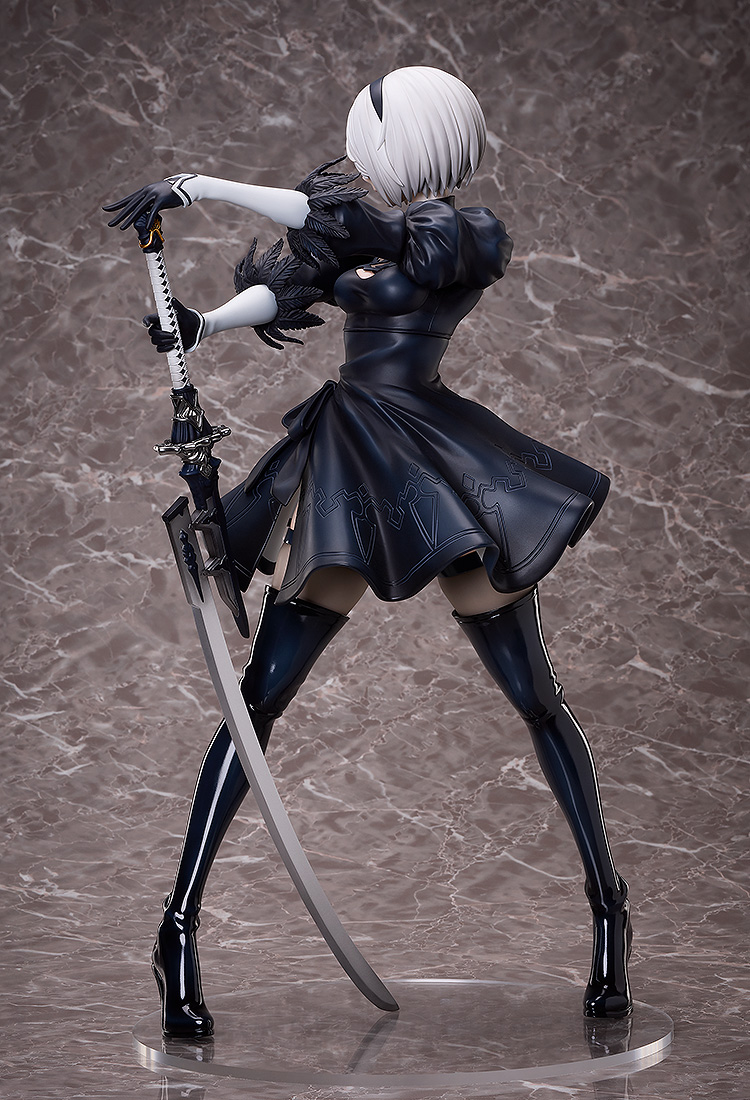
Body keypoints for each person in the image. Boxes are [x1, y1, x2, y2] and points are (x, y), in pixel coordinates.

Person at [105, 66, 632, 1039]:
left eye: (378, 140)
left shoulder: (462, 234)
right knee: (257, 699)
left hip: (436, 464)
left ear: (421, 141)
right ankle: (176, 929)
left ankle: (609, 907)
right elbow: (298, 280)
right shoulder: (367, 233)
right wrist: (203, 324)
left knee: (534, 695)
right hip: (350, 466)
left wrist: (199, 186)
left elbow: (355, 228)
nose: (365, 161)